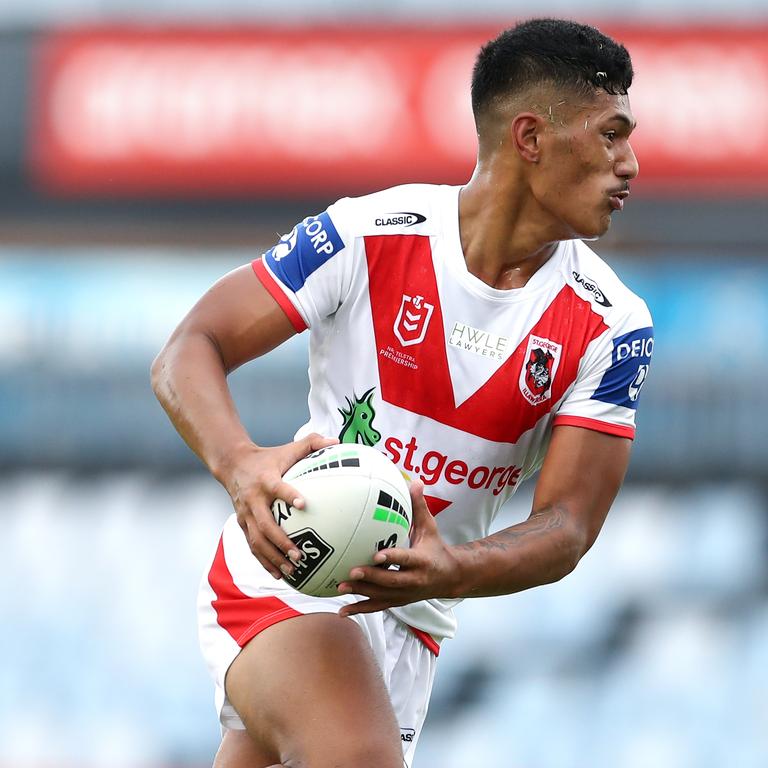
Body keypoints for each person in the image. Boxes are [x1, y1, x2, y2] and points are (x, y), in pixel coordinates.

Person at [151, 17, 653, 768]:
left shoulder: (613, 326)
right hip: (296, 569)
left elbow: (569, 525)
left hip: (411, 625)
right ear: (529, 137)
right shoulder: (366, 234)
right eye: (611, 132)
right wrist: (241, 464)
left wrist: (456, 569)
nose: (631, 163)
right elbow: (190, 347)